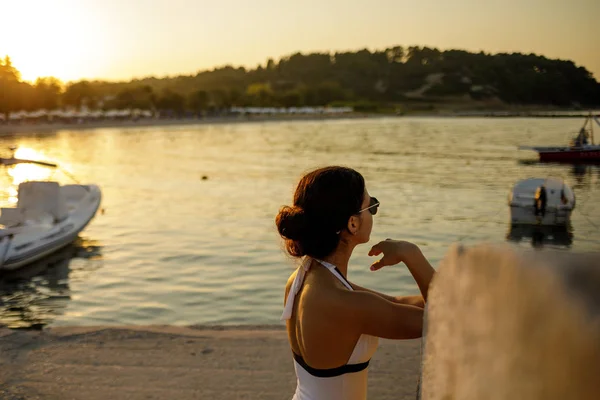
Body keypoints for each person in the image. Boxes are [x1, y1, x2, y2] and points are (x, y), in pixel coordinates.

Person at [276, 166, 435, 400]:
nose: (373, 213)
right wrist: (411, 253)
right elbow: (445, 319)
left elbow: (398, 303)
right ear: (353, 223)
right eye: (372, 206)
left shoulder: (307, 277)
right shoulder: (343, 303)